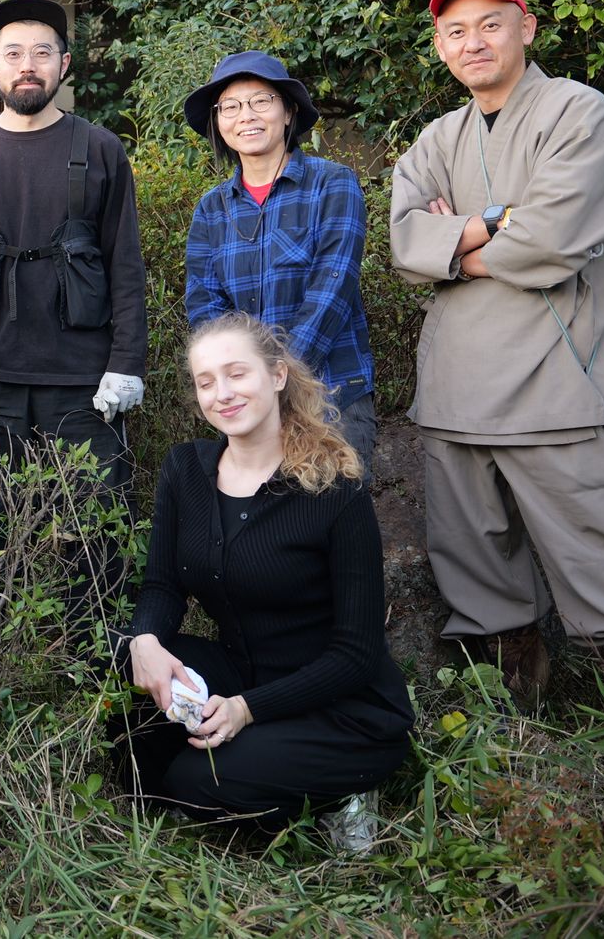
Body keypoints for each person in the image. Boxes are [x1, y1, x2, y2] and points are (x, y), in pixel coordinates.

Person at [389, 0, 604, 709]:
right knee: (478, 575)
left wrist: (456, 245)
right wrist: (496, 222)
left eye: (491, 24)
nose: (473, 43)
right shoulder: (437, 138)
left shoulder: (580, 113)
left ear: (527, 29)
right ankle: (516, 733)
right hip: (454, 388)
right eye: (456, 32)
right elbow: (405, 241)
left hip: (560, 383)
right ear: (440, 47)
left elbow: (551, 239)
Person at [122, 314, 411, 835]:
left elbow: (357, 653)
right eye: (206, 382)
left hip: (340, 706)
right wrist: (145, 641)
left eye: (237, 374)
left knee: (194, 783)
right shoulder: (185, 469)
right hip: (243, 674)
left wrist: (247, 710)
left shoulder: (334, 490)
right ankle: (252, 768)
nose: (222, 394)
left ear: (277, 376)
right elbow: (164, 584)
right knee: (122, 672)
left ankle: (344, 792)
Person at [0, 0, 147, 615]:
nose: (28, 65)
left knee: (95, 538)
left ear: (64, 65)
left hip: (84, 382)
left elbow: (126, 266)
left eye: (42, 53)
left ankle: (100, 661)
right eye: (14, 53)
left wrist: (127, 364)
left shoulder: (100, 150)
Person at [182, 51, 377, 472]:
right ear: (218, 122)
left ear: (288, 112)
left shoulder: (333, 184)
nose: (246, 116)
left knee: (331, 508)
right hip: (246, 403)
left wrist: (276, 376)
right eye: (230, 107)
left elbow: (333, 288)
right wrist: (243, 380)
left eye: (261, 101)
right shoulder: (212, 209)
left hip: (331, 396)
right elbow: (204, 306)